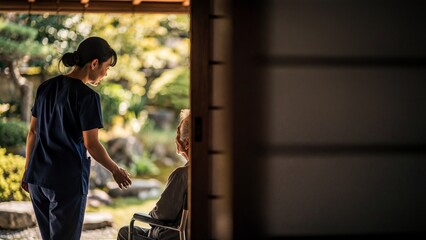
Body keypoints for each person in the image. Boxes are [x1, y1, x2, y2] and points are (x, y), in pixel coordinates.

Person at [21, 36, 132, 240]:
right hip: (66, 182)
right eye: (106, 68)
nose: (106, 74)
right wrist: (116, 170)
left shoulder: (46, 87)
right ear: (94, 63)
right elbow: (92, 145)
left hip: (38, 178)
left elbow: (33, 132)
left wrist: (28, 170)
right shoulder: (88, 97)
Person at [117, 109, 190, 240]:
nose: (175, 139)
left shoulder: (182, 175)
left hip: (172, 236)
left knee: (125, 232)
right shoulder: (213, 173)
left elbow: (163, 214)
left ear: (186, 142)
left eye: (178, 134)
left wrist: (153, 214)